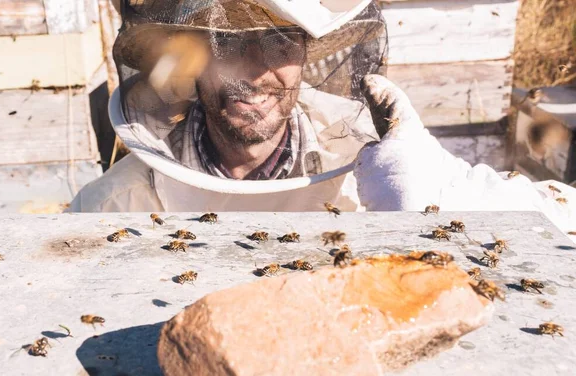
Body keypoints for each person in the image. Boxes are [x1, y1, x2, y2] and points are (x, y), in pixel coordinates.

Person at [68, 0, 576, 238]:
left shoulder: (371, 165)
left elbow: (558, 219)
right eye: (227, 43)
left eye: (281, 42)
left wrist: (441, 198)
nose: (260, 71)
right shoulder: (114, 205)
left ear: (308, 54)